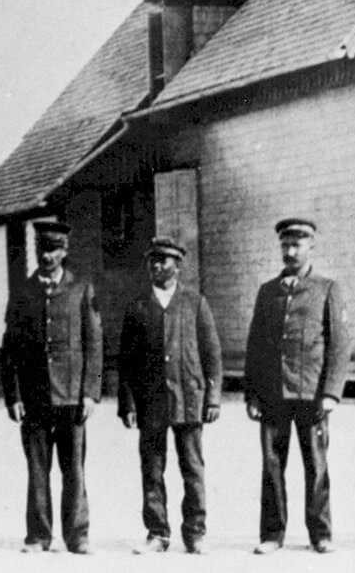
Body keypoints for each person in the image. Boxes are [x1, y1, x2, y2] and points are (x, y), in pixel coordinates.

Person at [244, 218, 351, 555]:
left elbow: (339, 344)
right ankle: (272, 534)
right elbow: (256, 346)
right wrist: (253, 393)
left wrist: (332, 392)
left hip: (312, 393)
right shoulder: (268, 291)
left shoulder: (327, 288)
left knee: (316, 465)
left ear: (311, 247)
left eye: (297, 245)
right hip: (274, 392)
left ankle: (321, 533)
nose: (290, 252)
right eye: (285, 246)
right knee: (272, 465)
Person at [1, 221, 102, 555]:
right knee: (37, 469)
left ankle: (78, 535)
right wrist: (13, 395)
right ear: (36, 251)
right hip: (33, 396)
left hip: (72, 395)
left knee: (73, 468)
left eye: (55, 250)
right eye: (43, 249)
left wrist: (90, 392)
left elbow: (93, 344)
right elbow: (10, 349)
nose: (48, 256)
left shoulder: (81, 289)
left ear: (65, 252)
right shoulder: (21, 292)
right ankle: (38, 535)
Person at [118, 237, 223, 555]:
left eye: (163, 260)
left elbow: (212, 353)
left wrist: (213, 397)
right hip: (151, 400)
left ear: (178, 265)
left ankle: (195, 532)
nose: (156, 266)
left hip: (188, 397)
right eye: (152, 260)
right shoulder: (137, 306)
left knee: (192, 466)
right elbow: (126, 361)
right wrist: (128, 403)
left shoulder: (195, 302)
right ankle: (157, 533)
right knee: (152, 467)